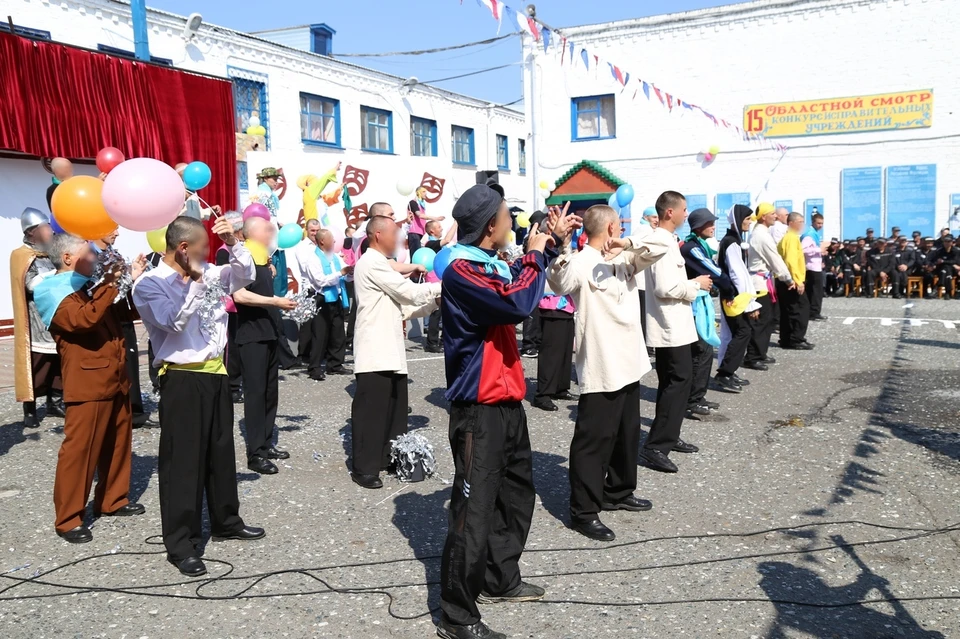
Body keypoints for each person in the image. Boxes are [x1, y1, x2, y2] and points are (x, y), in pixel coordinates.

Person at [437, 185, 572, 639]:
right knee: (473, 509)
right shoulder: (460, 270)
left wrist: (548, 243)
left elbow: (519, 281)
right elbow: (516, 303)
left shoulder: (489, 264)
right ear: (488, 226)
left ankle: (500, 577)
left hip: (507, 397)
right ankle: (457, 615)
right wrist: (535, 253)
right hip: (478, 405)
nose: (511, 222)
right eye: (505, 216)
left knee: (516, 495)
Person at [132, 216, 265, 578]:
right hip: (182, 378)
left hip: (216, 373)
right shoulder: (149, 284)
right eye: (204, 248)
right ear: (183, 249)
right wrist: (192, 283)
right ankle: (181, 543)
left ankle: (226, 521)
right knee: (184, 463)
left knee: (221, 454)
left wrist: (234, 241)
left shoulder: (208, 271)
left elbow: (243, 275)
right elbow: (172, 321)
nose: (210, 254)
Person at [548, 204, 665, 542]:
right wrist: (562, 246)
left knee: (627, 434)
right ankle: (583, 511)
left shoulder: (625, 255)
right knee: (593, 441)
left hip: (630, 360)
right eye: (620, 224)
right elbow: (558, 282)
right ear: (612, 225)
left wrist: (626, 245)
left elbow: (662, 246)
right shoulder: (581, 261)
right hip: (601, 362)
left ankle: (618, 491)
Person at [34, 233, 148, 543]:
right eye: (89, 253)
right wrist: (110, 283)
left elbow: (123, 314)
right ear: (68, 258)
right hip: (87, 381)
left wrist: (129, 281)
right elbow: (83, 321)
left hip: (115, 375)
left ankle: (112, 499)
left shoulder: (89, 287)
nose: (96, 258)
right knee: (80, 451)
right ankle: (69, 518)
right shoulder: (52, 290)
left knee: (117, 442)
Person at [350, 213, 440, 489]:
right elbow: (408, 293)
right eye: (394, 233)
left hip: (390, 347)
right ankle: (364, 467)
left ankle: (387, 457)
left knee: (393, 409)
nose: (399, 239)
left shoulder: (382, 265)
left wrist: (436, 302)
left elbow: (405, 308)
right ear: (378, 235)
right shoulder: (371, 262)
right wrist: (448, 285)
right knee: (372, 411)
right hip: (374, 349)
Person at [641, 191, 705, 474]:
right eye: (684, 209)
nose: (686, 215)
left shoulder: (667, 240)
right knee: (676, 381)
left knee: (677, 382)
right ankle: (656, 446)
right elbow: (665, 288)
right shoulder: (662, 241)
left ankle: (669, 435)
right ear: (670, 212)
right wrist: (697, 285)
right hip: (669, 326)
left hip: (676, 324)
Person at [232, 217, 297, 475]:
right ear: (251, 233)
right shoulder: (243, 257)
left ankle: (266, 443)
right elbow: (240, 295)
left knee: (271, 393)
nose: (272, 232)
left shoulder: (263, 258)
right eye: (266, 228)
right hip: (251, 336)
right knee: (256, 394)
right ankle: (255, 453)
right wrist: (274, 301)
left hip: (268, 333)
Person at [10, 208, 65, 428]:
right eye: (46, 227)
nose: (51, 231)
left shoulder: (53, 251)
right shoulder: (21, 255)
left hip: (56, 316)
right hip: (35, 321)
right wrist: (57, 274)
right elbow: (31, 285)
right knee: (36, 364)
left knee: (58, 363)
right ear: (33, 232)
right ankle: (30, 409)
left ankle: (56, 401)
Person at [91, 229, 150, 427]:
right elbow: (107, 292)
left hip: (123, 315)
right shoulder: (90, 257)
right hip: (106, 317)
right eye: (111, 228)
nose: (116, 233)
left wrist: (136, 274)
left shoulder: (112, 253)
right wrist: (130, 278)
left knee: (130, 362)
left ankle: (133, 411)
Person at [679, 208, 734, 415]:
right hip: (694, 305)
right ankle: (692, 401)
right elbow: (713, 270)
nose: (713, 227)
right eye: (709, 223)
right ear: (698, 226)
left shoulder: (699, 245)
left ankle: (698, 396)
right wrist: (729, 288)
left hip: (700, 303)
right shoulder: (691, 247)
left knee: (704, 351)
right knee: (701, 351)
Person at [532, 207, 578, 412]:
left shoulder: (568, 247)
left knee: (565, 351)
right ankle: (543, 393)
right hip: (551, 304)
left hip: (567, 304)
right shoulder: (545, 247)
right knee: (551, 352)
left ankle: (560, 386)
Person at [717, 205, 762, 381]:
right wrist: (750, 304)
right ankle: (725, 373)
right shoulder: (731, 242)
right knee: (742, 331)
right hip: (734, 296)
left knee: (730, 334)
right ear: (738, 219)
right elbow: (738, 274)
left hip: (732, 294)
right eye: (747, 219)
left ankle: (727, 370)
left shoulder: (732, 240)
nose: (750, 223)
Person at [300, 228, 352, 381]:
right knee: (319, 335)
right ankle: (314, 367)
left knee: (338, 333)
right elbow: (320, 280)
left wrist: (349, 273)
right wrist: (341, 273)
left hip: (336, 297)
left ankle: (335, 364)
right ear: (322, 241)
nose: (335, 241)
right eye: (332, 239)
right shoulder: (313, 258)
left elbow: (345, 276)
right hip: (321, 299)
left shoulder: (335, 257)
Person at [746, 203, 793, 369]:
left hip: (764, 281)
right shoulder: (762, 236)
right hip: (759, 283)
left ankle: (761, 352)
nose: (775, 216)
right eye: (772, 213)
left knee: (768, 320)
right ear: (764, 216)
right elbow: (775, 259)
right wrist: (787, 278)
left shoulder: (761, 233)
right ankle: (753, 356)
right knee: (760, 321)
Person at [216, 211, 245, 402]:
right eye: (241, 231)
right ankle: (232, 385)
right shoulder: (223, 252)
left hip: (244, 303)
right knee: (231, 348)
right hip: (230, 306)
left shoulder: (242, 249)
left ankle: (238, 381)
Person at [777, 213, 812, 350]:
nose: (802, 225)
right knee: (800, 309)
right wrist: (798, 281)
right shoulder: (791, 238)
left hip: (784, 280)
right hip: (791, 280)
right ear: (791, 223)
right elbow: (791, 261)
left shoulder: (788, 237)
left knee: (787, 310)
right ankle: (796, 339)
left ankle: (786, 339)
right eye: (800, 221)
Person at [423, 220, 458, 353]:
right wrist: (455, 223)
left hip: (442, 279)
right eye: (438, 227)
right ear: (432, 231)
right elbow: (448, 239)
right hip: (434, 280)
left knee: (445, 310)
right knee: (436, 312)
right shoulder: (430, 244)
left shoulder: (440, 245)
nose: (441, 228)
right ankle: (431, 343)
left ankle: (444, 340)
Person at [294, 219, 323, 361]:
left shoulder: (323, 244)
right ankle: (303, 355)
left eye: (318, 230)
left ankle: (319, 353)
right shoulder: (302, 246)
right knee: (307, 324)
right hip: (309, 289)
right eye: (312, 230)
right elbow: (306, 266)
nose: (315, 233)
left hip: (323, 288)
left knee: (321, 323)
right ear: (307, 230)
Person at [406, 186, 445, 256]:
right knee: (416, 255)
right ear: (418, 193)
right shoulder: (413, 202)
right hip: (414, 233)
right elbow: (420, 215)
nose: (425, 194)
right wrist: (436, 218)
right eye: (423, 192)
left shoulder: (421, 205)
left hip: (421, 233)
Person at [802, 213, 827, 321]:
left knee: (814, 290)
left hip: (815, 265)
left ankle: (812, 312)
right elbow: (803, 250)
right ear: (813, 222)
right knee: (816, 291)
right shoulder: (809, 235)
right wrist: (819, 250)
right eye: (818, 223)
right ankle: (814, 312)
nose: (820, 225)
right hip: (811, 266)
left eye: (822, 223)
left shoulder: (814, 234)